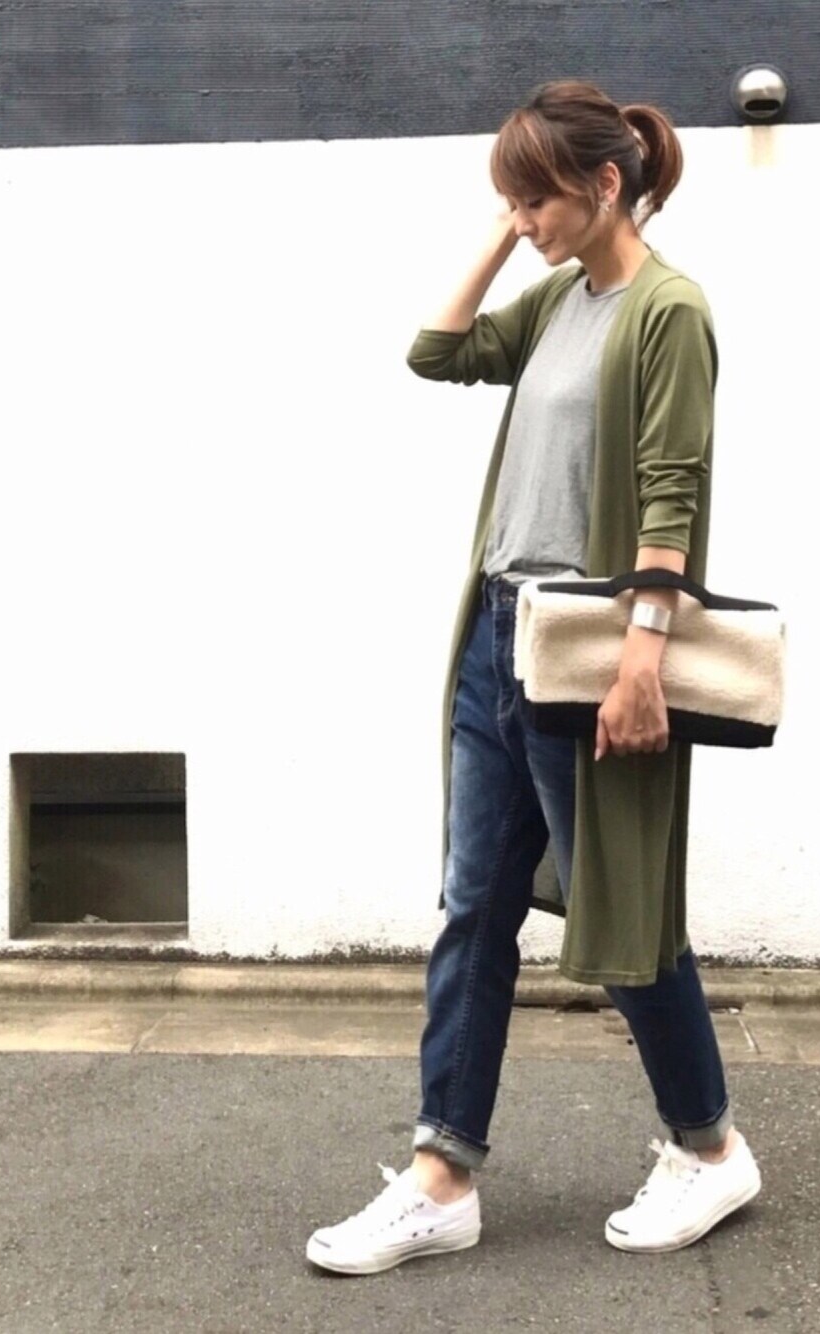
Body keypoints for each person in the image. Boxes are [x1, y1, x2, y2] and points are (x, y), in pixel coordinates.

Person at [306, 79, 761, 1276]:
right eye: (511, 200)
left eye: (537, 197)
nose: (522, 217)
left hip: (587, 649)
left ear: (605, 183)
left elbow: (672, 490)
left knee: (621, 913)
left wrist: (644, 654)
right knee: (474, 908)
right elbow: (436, 350)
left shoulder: (668, 310)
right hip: (494, 640)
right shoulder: (559, 295)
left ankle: (711, 1147)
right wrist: (511, 230)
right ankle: (441, 1174)